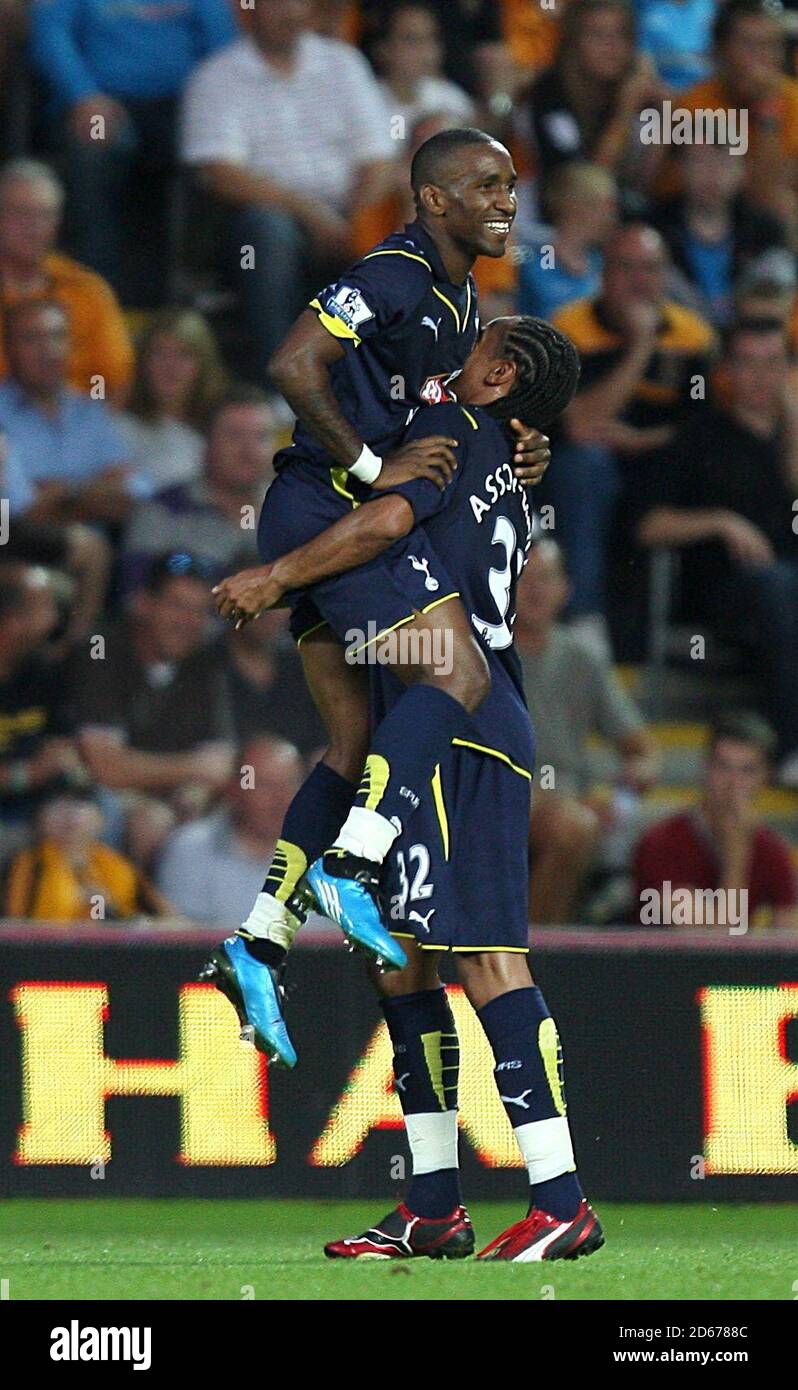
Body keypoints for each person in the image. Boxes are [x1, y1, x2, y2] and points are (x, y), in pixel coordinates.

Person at [212, 316, 602, 1263]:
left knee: (488, 962)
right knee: (404, 964)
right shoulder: (498, 448)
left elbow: (387, 515)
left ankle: (562, 1200)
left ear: (498, 373)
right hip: (425, 730)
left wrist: (278, 574)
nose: (452, 353)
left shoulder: (458, 435)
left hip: (463, 726)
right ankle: (434, 1205)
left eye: (476, 350)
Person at [202, 127, 551, 1062]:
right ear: (433, 200)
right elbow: (290, 363)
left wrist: (513, 441)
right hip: (327, 507)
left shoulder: (460, 292)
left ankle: (259, 936)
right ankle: (353, 864)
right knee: (459, 671)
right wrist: (365, 466)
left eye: (511, 184)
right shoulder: (394, 272)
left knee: (352, 741)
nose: (505, 200)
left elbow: (434, 405)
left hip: (318, 515)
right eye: (486, 185)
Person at [181, 0, 398, 373]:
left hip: (349, 211)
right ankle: (282, 378)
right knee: (267, 229)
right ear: (247, 11)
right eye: (277, 4)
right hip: (265, 223)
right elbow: (220, 173)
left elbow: (377, 159)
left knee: (404, 211)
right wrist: (312, 215)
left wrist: (355, 218)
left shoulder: (343, 63)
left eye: (298, 2)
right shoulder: (217, 76)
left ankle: (398, 382)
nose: (291, 12)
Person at [637, 319, 798, 779]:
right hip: (727, 599)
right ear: (727, 369)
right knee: (779, 585)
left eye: (773, 364)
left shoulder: (791, 438)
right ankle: (790, 747)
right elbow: (648, 527)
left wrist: (790, 416)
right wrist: (719, 521)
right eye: (748, 363)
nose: (761, 377)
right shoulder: (700, 435)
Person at [545, 222, 715, 638]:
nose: (641, 281)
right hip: (580, 469)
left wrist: (644, 441)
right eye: (627, 268)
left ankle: (701, 625)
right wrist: (640, 347)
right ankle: (584, 621)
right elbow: (578, 424)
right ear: (604, 274)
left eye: (651, 269)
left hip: (661, 468)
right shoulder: (570, 328)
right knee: (587, 465)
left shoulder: (692, 335)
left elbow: (704, 429)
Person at [29, 0, 237, 306]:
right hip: (102, 99)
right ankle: (94, 288)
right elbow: (49, 33)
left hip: (187, 101)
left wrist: (216, 102)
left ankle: (194, 281)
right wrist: (82, 94)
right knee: (95, 144)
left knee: (220, 152)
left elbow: (223, 45)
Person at [515, 539, 658, 924]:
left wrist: (623, 790)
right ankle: (530, 953)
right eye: (524, 578)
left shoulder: (583, 657)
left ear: (566, 590)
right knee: (572, 824)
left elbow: (642, 751)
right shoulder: (484, 652)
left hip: (570, 800)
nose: (535, 590)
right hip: (499, 792)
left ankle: (538, 947)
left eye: (546, 578)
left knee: (577, 824)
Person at [68, 554, 236, 852]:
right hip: (89, 797)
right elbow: (107, 769)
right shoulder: (102, 652)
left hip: (170, 800)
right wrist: (192, 770)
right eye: (177, 606)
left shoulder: (205, 662)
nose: (189, 622)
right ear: (144, 604)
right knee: (150, 822)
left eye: (199, 611)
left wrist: (195, 789)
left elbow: (220, 765)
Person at [634, 713, 798, 929]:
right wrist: (737, 853)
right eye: (723, 767)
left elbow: (788, 942)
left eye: (747, 771)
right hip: (657, 961)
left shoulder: (772, 851)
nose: (732, 783)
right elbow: (712, 944)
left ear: (765, 779)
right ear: (705, 768)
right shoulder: (661, 843)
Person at [659, 0, 798, 240]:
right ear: (719, 50)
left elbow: (779, 192)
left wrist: (768, 111)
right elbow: (761, 199)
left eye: (770, 45)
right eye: (748, 45)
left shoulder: (792, 101)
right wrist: (766, 113)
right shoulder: (693, 106)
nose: (761, 58)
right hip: (706, 227)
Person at [0, 298, 144, 528]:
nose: (47, 350)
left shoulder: (89, 411)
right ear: (9, 349)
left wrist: (63, 493)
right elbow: (13, 509)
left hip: (101, 544)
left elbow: (137, 486)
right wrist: (89, 492)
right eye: (31, 339)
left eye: (57, 336)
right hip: (20, 548)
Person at [118, 385, 274, 596]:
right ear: (207, 443)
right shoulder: (162, 510)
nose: (249, 451)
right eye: (235, 436)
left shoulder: (294, 511)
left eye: (261, 437)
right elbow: (137, 601)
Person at [0, 160, 133, 399]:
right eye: (20, 213)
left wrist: (86, 416)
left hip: (76, 427)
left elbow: (110, 380)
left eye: (45, 215)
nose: (34, 227)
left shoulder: (88, 291)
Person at [518, 0, 665, 196]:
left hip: (622, 214)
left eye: (622, 35)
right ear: (573, 41)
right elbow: (581, 188)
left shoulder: (638, 93)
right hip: (549, 215)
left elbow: (645, 189)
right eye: (598, 35)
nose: (612, 46)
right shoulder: (548, 94)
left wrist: (664, 117)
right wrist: (623, 114)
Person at [157, 736, 304, 928]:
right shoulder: (190, 850)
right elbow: (181, 944)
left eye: (290, 784)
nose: (281, 798)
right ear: (235, 789)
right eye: (264, 785)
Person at [651, 141, 789, 327]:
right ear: (680, 168)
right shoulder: (653, 229)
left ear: (743, 171)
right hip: (676, 341)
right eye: (700, 162)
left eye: (724, 163)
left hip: (749, 344)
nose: (712, 174)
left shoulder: (766, 234)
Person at [0, 564, 83, 865]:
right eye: (45, 610)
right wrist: (28, 774)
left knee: (89, 814)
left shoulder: (44, 671)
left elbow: (61, 747)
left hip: (36, 805)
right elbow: (39, 768)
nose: (54, 621)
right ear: (12, 622)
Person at [4, 790, 170, 920]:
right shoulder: (26, 863)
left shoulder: (115, 865)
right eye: (58, 805)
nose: (69, 814)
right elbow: (17, 921)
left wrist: (102, 907)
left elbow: (165, 919)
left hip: (103, 956)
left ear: (101, 820)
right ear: (40, 820)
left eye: (79, 804)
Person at [118, 308, 229, 492]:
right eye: (159, 353)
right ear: (143, 361)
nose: (170, 366)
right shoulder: (120, 429)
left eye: (184, 354)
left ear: (204, 364)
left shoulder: (227, 425)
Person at [517, 161, 617, 321]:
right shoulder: (538, 258)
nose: (612, 217)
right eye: (606, 207)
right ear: (577, 206)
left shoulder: (601, 263)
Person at [373, 2, 475, 151]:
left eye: (431, 38)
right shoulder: (367, 100)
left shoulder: (447, 95)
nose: (425, 50)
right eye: (412, 39)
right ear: (383, 48)